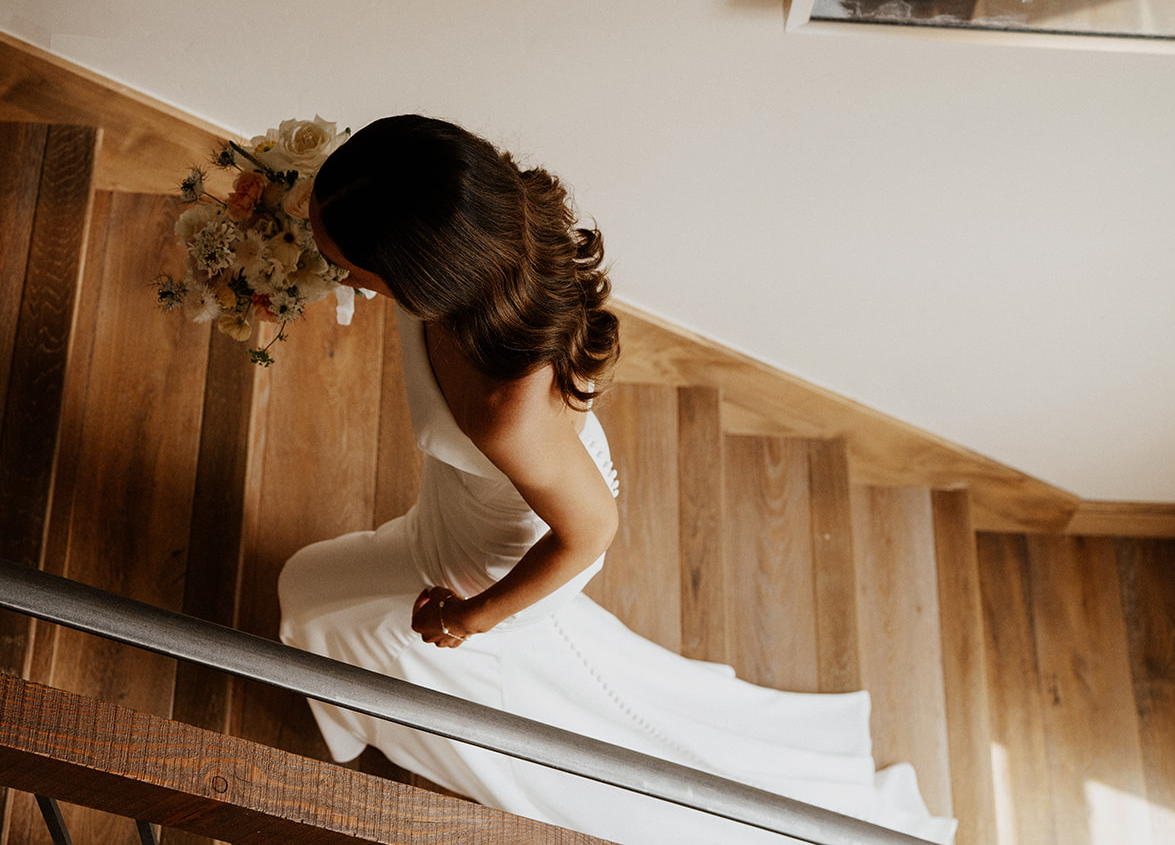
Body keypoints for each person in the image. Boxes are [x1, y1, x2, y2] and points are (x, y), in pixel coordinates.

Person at [279, 115, 956, 844]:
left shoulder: (510, 408)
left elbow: (592, 529)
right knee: (317, 598)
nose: (341, 275)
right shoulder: (472, 230)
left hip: (502, 545)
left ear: (422, 277)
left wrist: (472, 618)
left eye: (348, 266)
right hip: (478, 498)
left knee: (327, 602)